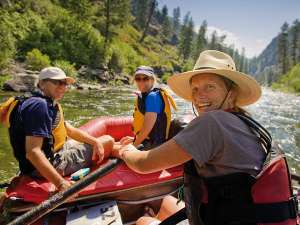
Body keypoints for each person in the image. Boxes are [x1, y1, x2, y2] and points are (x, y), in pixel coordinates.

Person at [112, 51, 297, 225]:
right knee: (168, 201)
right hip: (248, 216)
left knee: (143, 221)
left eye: (210, 86)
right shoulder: (247, 123)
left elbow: (143, 164)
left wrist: (125, 150)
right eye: (195, 88)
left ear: (231, 93)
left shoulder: (211, 123)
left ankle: (148, 217)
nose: (199, 95)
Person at [0, 67, 114, 192]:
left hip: (37, 162)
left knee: (95, 141)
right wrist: (60, 184)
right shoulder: (40, 106)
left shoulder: (32, 101)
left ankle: (117, 149)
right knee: (108, 141)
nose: (63, 87)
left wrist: (94, 141)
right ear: (41, 83)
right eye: (57, 82)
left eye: (65, 83)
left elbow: (68, 130)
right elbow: (33, 152)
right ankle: (123, 151)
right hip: (49, 165)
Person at [120, 66, 177, 149]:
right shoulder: (147, 95)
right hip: (149, 141)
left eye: (145, 78)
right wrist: (134, 139)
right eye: (138, 79)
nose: (141, 82)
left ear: (152, 80)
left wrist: (134, 145)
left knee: (114, 148)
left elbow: (147, 128)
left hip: (154, 146)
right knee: (117, 144)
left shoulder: (152, 97)